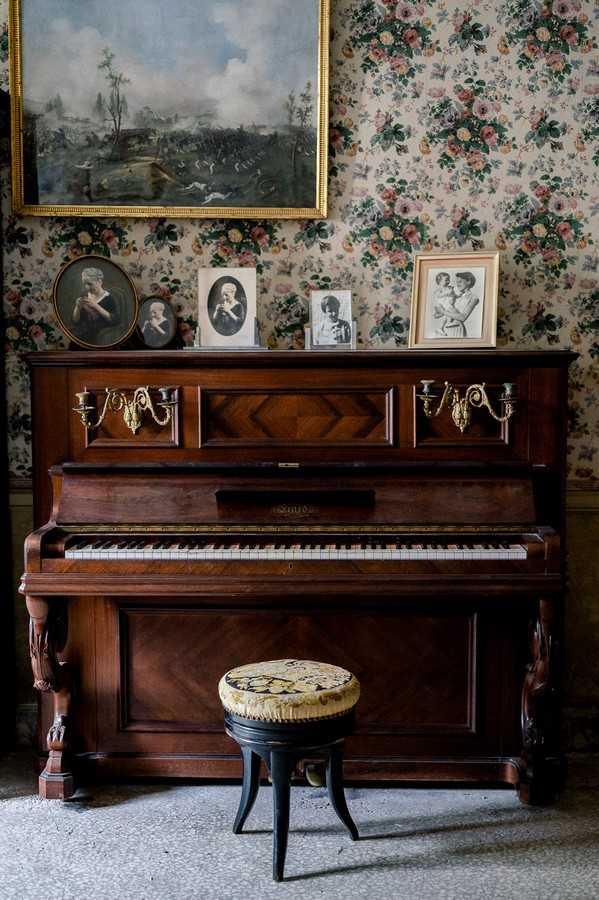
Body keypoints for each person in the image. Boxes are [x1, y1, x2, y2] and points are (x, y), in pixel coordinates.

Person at [71, 267, 118, 345]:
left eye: (90, 284)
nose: (87, 287)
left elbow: (114, 320)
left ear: (99, 282)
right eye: (85, 284)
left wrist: (95, 305)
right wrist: (77, 307)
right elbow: (75, 321)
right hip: (82, 334)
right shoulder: (84, 295)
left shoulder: (109, 298)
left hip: (99, 335)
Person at [432, 271, 479, 339]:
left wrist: (443, 312)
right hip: (445, 329)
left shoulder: (474, 298)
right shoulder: (455, 295)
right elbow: (436, 315)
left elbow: (462, 317)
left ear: (468, 281)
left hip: (456, 329)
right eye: (457, 282)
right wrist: (439, 312)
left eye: (460, 282)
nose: (457, 284)